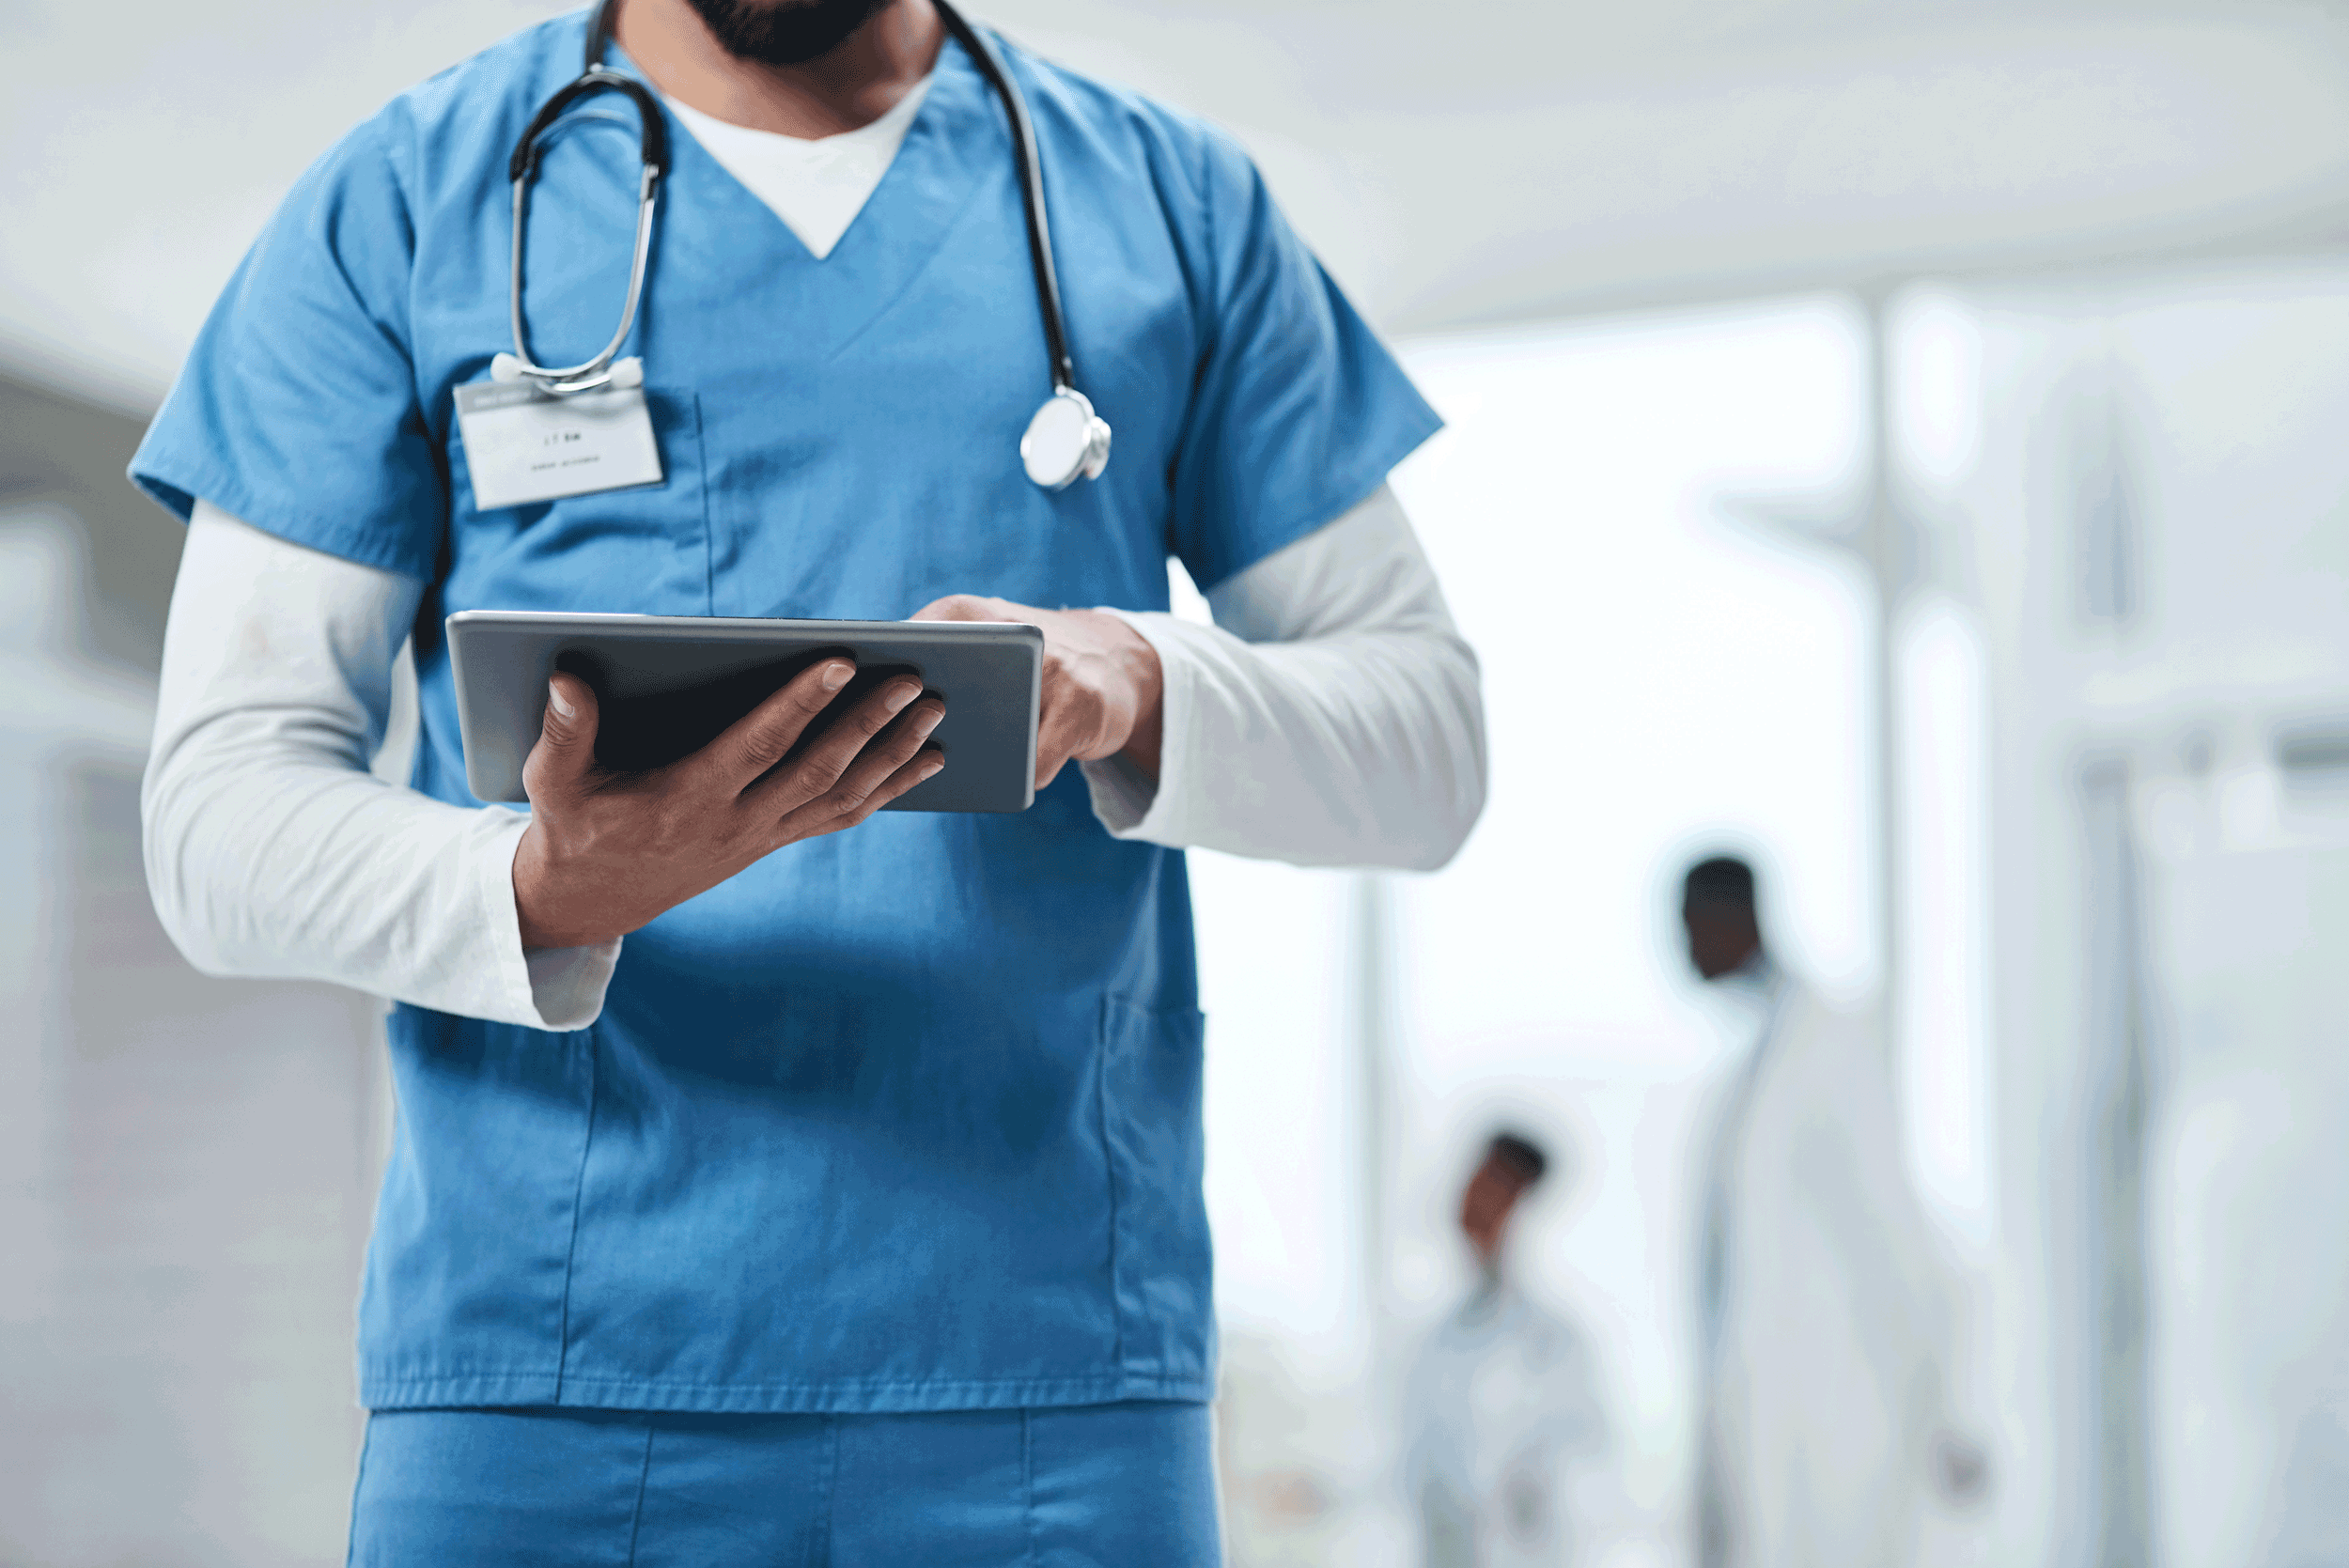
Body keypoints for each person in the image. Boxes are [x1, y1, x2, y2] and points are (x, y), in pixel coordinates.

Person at [129, 0, 1487, 1559]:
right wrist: (545, 887)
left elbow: (1428, 748)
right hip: (550, 1380)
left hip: (1049, 1386)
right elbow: (217, 814)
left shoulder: (1167, 208)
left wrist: (1135, 675)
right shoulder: (406, 203)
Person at [1681, 856, 1988, 1567]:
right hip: (1776, 1430)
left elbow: (1895, 1234)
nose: (1684, 951)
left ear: (1729, 918)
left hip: (1840, 1432)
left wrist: (1947, 1411)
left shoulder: (1833, 1047)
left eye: (1688, 926)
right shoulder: (1757, 1065)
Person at [1404, 1130, 1609, 1568]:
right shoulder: (1436, 1342)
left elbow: (1585, 1484)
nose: (1476, 1205)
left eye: (1496, 1192)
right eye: (1476, 1188)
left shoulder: (1556, 1346)